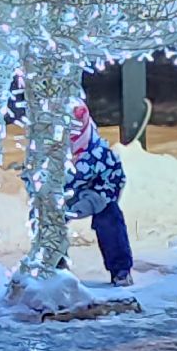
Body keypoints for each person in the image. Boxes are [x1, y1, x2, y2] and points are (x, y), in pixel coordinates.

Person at [65, 102, 134, 287]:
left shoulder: (98, 152)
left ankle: (120, 269)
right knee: (43, 219)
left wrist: (94, 199)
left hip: (92, 198)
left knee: (110, 216)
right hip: (58, 199)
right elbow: (34, 178)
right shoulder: (46, 151)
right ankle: (53, 265)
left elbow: (115, 178)